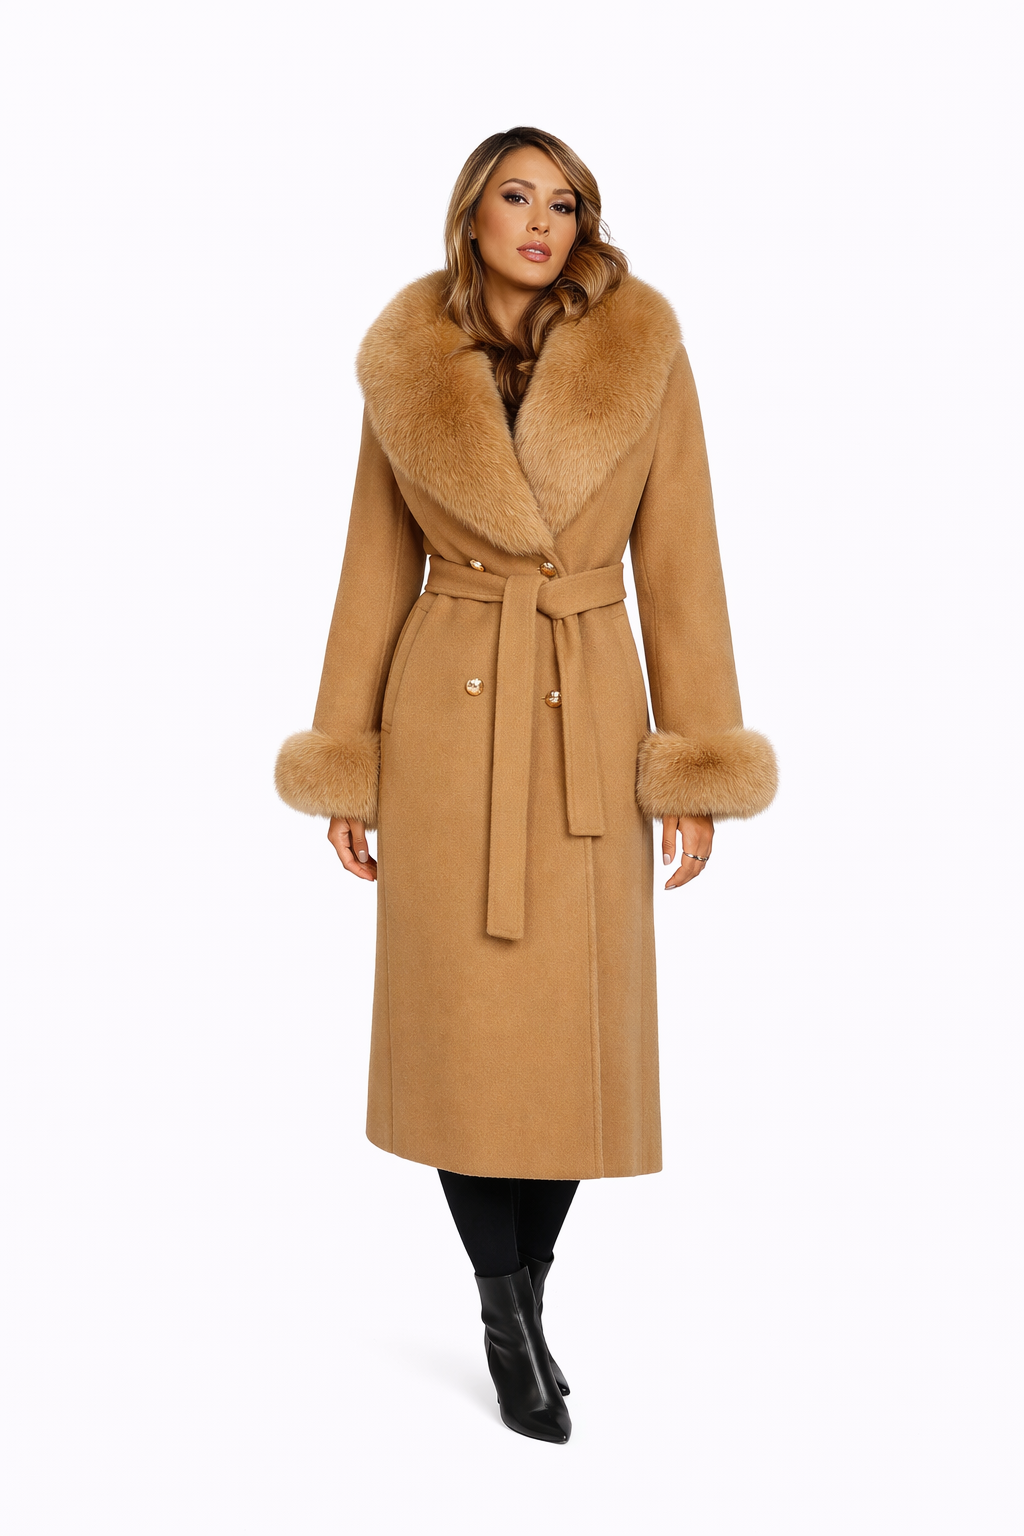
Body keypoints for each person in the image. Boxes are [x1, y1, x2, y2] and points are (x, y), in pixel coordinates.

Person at [275, 126, 777, 1443]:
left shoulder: (644, 351)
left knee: (568, 1042)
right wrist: (348, 761)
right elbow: (371, 566)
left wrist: (696, 761)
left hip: (588, 717)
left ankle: (526, 1295)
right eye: (517, 196)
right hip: (444, 727)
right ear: (474, 215)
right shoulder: (405, 363)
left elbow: (684, 565)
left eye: (565, 202)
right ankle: (507, 1319)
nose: (543, 221)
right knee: (461, 1040)